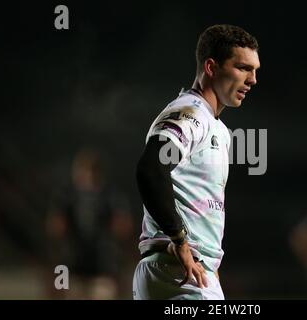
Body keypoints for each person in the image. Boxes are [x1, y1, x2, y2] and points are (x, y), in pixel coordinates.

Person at [133, 24, 260, 300]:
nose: (253, 79)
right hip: (178, 273)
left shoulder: (218, 128)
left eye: (255, 70)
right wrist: (179, 239)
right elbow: (151, 169)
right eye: (242, 68)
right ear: (211, 67)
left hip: (188, 271)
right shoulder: (190, 114)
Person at [46, 148, 133, 299]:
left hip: (102, 266)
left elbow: (123, 227)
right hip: (73, 264)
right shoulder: (66, 196)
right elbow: (55, 227)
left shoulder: (110, 196)